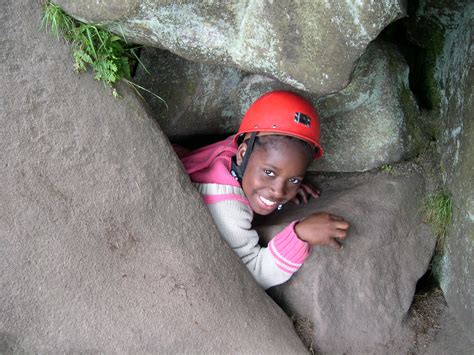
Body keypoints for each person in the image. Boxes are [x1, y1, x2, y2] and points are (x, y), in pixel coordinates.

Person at [177, 91, 349, 289]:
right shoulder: (228, 208)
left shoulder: (236, 152)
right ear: (242, 154)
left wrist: (284, 178)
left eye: (293, 178)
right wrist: (301, 234)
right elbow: (252, 273)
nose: (278, 191)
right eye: (269, 172)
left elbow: (276, 158)